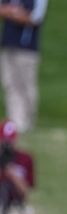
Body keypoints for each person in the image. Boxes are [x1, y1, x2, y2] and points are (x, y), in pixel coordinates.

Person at [0, 0, 48, 133]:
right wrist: (12, 12)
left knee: (26, 86)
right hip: (8, 44)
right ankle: (15, 122)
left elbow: (35, 18)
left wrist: (14, 13)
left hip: (27, 49)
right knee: (10, 84)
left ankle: (28, 122)